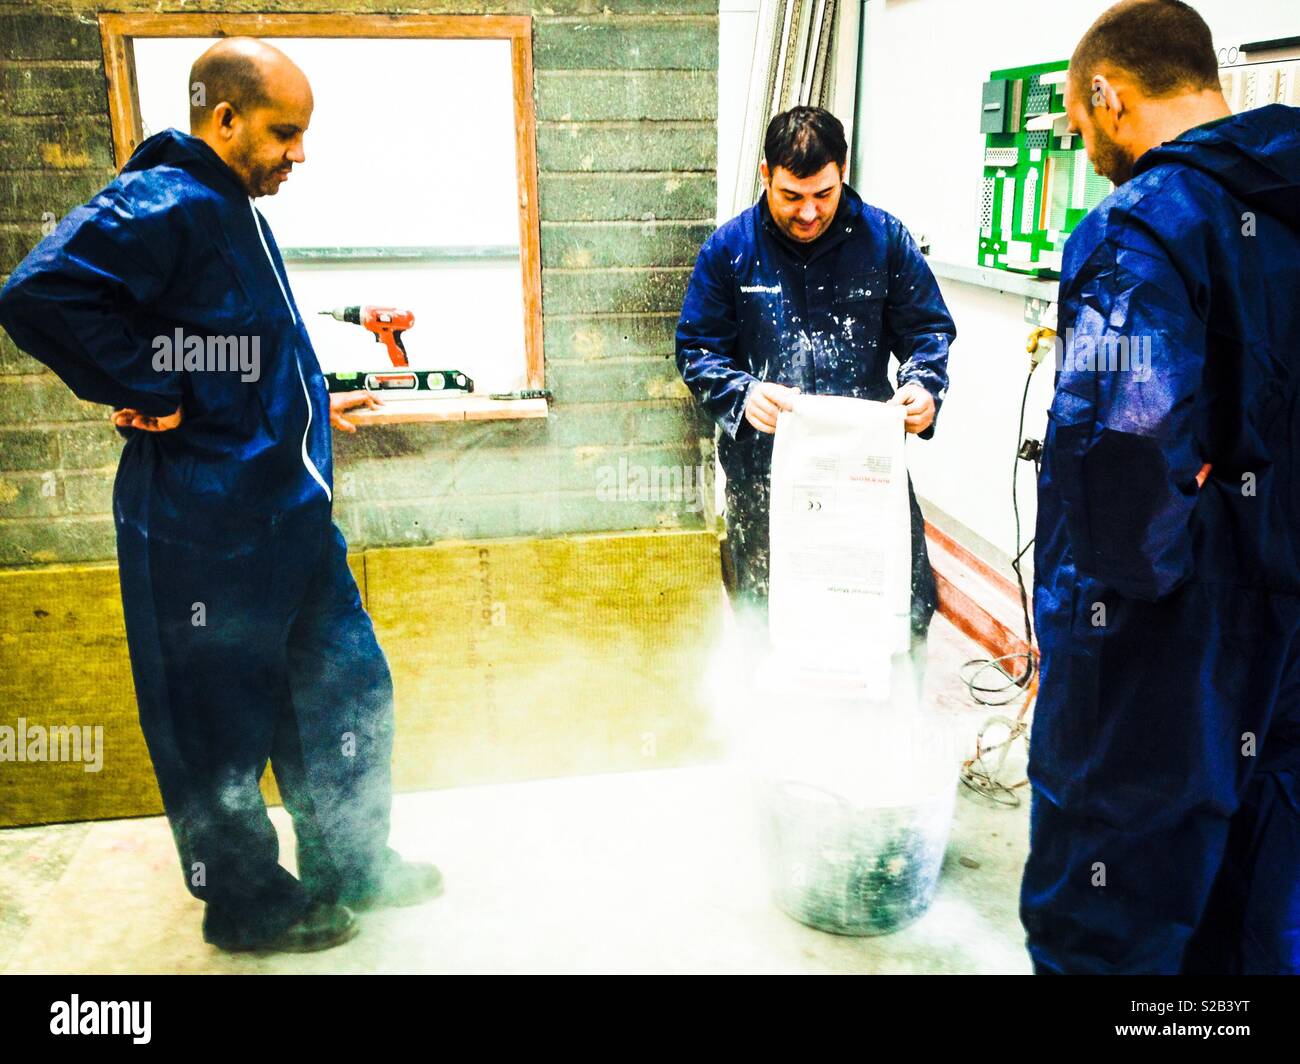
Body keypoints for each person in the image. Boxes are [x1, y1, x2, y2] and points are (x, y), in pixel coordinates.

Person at [0, 37, 442, 953]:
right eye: (285, 132)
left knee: (345, 694)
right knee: (216, 730)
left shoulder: (231, 207)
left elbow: (238, 344)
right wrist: (150, 388)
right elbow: (38, 295)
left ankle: (350, 860)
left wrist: (316, 397)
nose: (299, 154)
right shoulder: (168, 199)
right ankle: (245, 902)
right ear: (225, 117)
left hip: (288, 517)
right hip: (206, 526)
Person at [1022, 0, 1300, 974]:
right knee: (1262, 920)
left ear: (1107, 95)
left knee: (1112, 920)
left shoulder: (1137, 231)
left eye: (1078, 120)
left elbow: (1123, 474)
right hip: (1289, 655)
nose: (1087, 143)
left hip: (1163, 663)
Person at [674, 106, 954, 667]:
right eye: (791, 196)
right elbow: (697, 350)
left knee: (899, 611)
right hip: (766, 474)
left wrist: (924, 385)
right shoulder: (729, 251)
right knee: (771, 619)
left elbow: (927, 330)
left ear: (843, 170)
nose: (807, 213)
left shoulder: (885, 241)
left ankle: (889, 741)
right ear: (764, 175)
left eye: (823, 194)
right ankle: (781, 743)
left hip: (864, 469)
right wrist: (742, 393)